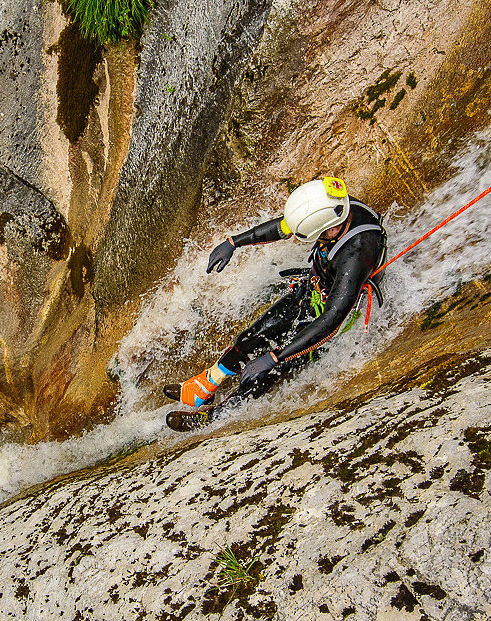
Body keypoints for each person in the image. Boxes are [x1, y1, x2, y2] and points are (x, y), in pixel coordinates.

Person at [164, 177, 387, 431]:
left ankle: (213, 417)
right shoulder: (330, 206)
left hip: (334, 314)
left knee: (263, 374)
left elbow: (331, 322)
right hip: (315, 290)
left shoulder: (356, 254)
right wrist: (234, 242)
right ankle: (206, 385)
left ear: (331, 230)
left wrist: (274, 357)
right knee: (251, 336)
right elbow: (282, 228)